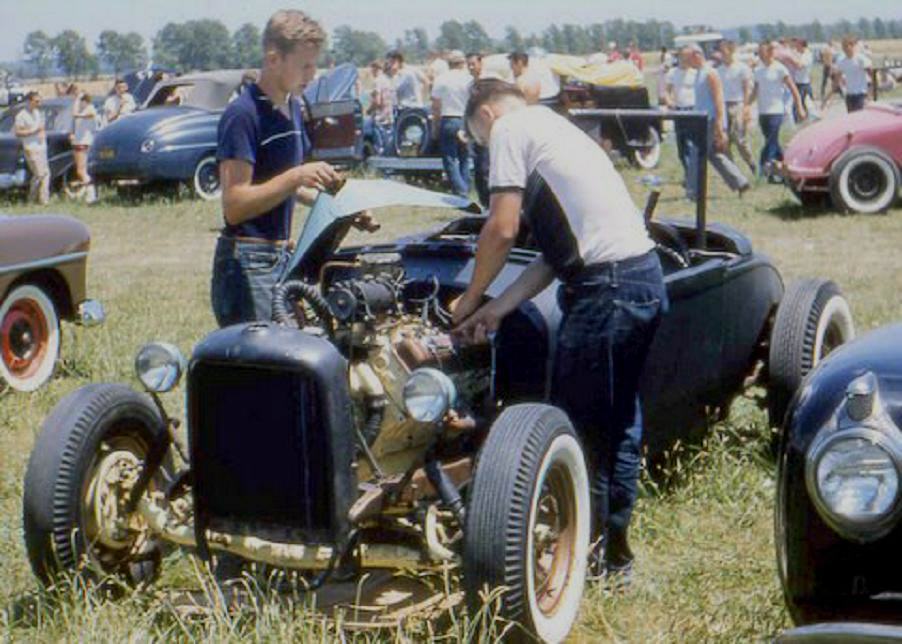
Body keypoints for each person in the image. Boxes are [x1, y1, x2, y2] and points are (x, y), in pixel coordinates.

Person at [452, 79, 667, 584]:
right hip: (640, 281)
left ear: (484, 116)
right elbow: (557, 254)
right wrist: (497, 308)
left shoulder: (509, 130)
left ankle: (580, 563)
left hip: (605, 292)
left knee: (578, 434)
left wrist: (468, 298)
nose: (488, 152)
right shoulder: (556, 128)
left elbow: (501, 229)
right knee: (617, 427)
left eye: (479, 145)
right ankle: (610, 559)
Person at [213, 9, 347, 328]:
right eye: (305, 66)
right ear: (273, 59)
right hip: (248, 262)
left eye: (314, 65)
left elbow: (288, 186)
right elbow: (235, 206)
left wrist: (338, 204)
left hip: (280, 258)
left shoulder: (293, 107)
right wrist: (296, 176)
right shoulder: (242, 116)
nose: (312, 75)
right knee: (266, 367)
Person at [685, 44, 749, 199]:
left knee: (695, 153)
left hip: (710, 120)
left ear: (697, 55)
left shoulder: (710, 73)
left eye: (688, 57)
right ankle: (740, 181)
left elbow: (719, 101)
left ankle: (693, 192)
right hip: (701, 120)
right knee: (714, 155)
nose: (686, 61)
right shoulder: (699, 74)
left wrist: (720, 127)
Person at [750, 41, 805, 180]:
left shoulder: (780, 69)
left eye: (763, 52)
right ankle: (787, 165)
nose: (761, 55)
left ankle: (763, 170)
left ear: (770, 52)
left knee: (769, 142)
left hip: (776, 110)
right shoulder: (758, 71)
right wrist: (746, 106)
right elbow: (755, 91)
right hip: (763, 112)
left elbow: (793, 89)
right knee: (773, 142)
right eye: (759, 52)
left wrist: (799, 107)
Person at [431, 50, 473, 197]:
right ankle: (465, 186)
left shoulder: (441, 79)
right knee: (464, 157)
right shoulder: (469, 79)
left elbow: (436, 105)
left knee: (449, 157)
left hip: (448, 118)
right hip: (465, 120)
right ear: (462, 63)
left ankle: (460, 189)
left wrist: (435, 126)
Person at [717, 40, 756, 176]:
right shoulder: (718, 71)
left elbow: (746, 89)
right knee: (725, 141)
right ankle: (734, 173)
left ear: (731, 50)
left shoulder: (741, 68)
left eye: (724, 51)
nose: (721, 54)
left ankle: (752, 165)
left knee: (740, 140)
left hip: (737, 104)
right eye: (720, 51)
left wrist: (746, 107)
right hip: (723, 105)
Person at [665, 47, 697, 174]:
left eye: (688, 57)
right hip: (679, 111)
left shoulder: (696, 73)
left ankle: (692, 175)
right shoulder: (673, 73)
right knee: (681, 146)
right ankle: (689, 172)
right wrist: (669, 101)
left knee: (691, 144)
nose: (685, 59)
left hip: (693, 111)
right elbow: (667, 91)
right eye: (683, 56)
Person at [14, 91, 50, 205]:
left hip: (41, 147)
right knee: (39, 174)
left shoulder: (38, 113)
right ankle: (32, 198)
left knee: (46, 174)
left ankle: (43, 200)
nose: (39, 103)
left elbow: (41, 127)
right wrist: (32, 131)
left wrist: (42, 136)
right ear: (29, 101)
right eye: (36, 101)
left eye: (39, 101)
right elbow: (18, 132)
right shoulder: (21, 116)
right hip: (30, 147)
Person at [466, 51, 490, 207]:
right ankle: (484, 203)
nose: (470, 67)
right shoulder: (470, 85)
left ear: (481, 63)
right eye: (468, 64)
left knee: (486, 169)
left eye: (473, 64)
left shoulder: (488, 83)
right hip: (477, 132)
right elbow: (469, 109)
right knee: (479, 170)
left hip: (489, 132)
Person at [826, 36, 872, 113]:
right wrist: (828, 98)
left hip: (861, 95)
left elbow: (872, 75)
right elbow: (836, 81)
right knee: (852, 121)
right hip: (849, 96)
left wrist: (870, 95)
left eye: (847, 46)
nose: (845, 49)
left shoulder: (861, 59)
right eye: (843, 46)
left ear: (852, 46)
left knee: (860, 120)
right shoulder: (842, 62)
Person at [70, 92, 98, 203]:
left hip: (83, 142)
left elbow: (75, 114)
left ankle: (91, 193)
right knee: (83, 170)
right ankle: (88, 193)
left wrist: (76, 101)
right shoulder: (86, 110)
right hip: (81, 141)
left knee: (81, 171)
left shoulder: (90, 109)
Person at [364, 59, 393, 154]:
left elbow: (377, 101)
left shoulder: (377, 81)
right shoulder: (388, 80)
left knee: (379, 146)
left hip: (379, 118)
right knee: (388, 143)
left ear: (376, 68)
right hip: (389, 116)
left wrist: (368, 111)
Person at [791, 39, 814, 122]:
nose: (795, 47)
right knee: (798, 104)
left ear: (802, 45)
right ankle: (800, 120)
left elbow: (800, 65)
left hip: (803, 84)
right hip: (798, 82)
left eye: (797, 45)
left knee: (803, 104)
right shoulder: (799, 54)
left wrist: (790, 59)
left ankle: (803, 120)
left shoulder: (807, 55)